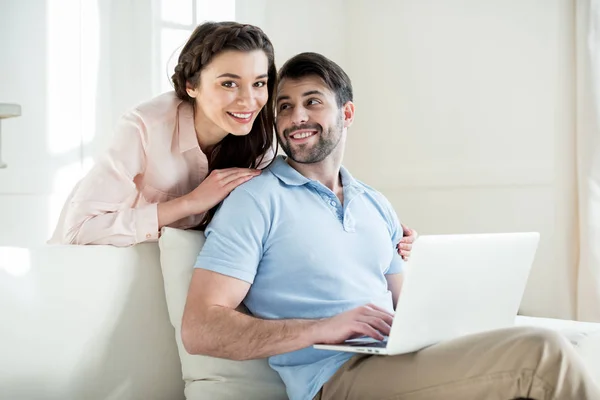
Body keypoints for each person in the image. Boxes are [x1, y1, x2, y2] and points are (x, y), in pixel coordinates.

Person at [181, 52, 600, 400]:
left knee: (532, 338)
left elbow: (408, 308)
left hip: (400, 360)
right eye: (285, 106)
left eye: (312, 102)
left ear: (346, 113)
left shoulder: (374, 203)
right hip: (336, 379)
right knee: (541, 354)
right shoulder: (255, 200)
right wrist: (325, 328)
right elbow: (201, 329)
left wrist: (446, 292)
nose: (296, 117)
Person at [48, 21, 418, 256]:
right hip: (88, 269)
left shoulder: (261, 136)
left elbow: (301, 193)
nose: (248, 100)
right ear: (192, 85)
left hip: (165, 272)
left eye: (259, 84)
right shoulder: (144, 126)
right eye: (229, 83)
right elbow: (79, 231)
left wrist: (380, 229)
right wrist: (191, 203)